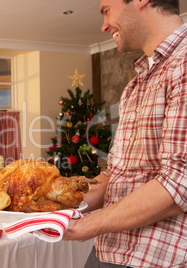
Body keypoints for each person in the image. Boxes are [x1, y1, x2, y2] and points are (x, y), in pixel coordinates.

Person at [63, 1, 187, 267]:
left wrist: (89, 225)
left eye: (107, 9)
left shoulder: (184, 65)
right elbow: (115, 173)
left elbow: (180, 182)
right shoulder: (135, 84)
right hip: (108, 250)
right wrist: (59, 200)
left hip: (157, 258)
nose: (104, 24)